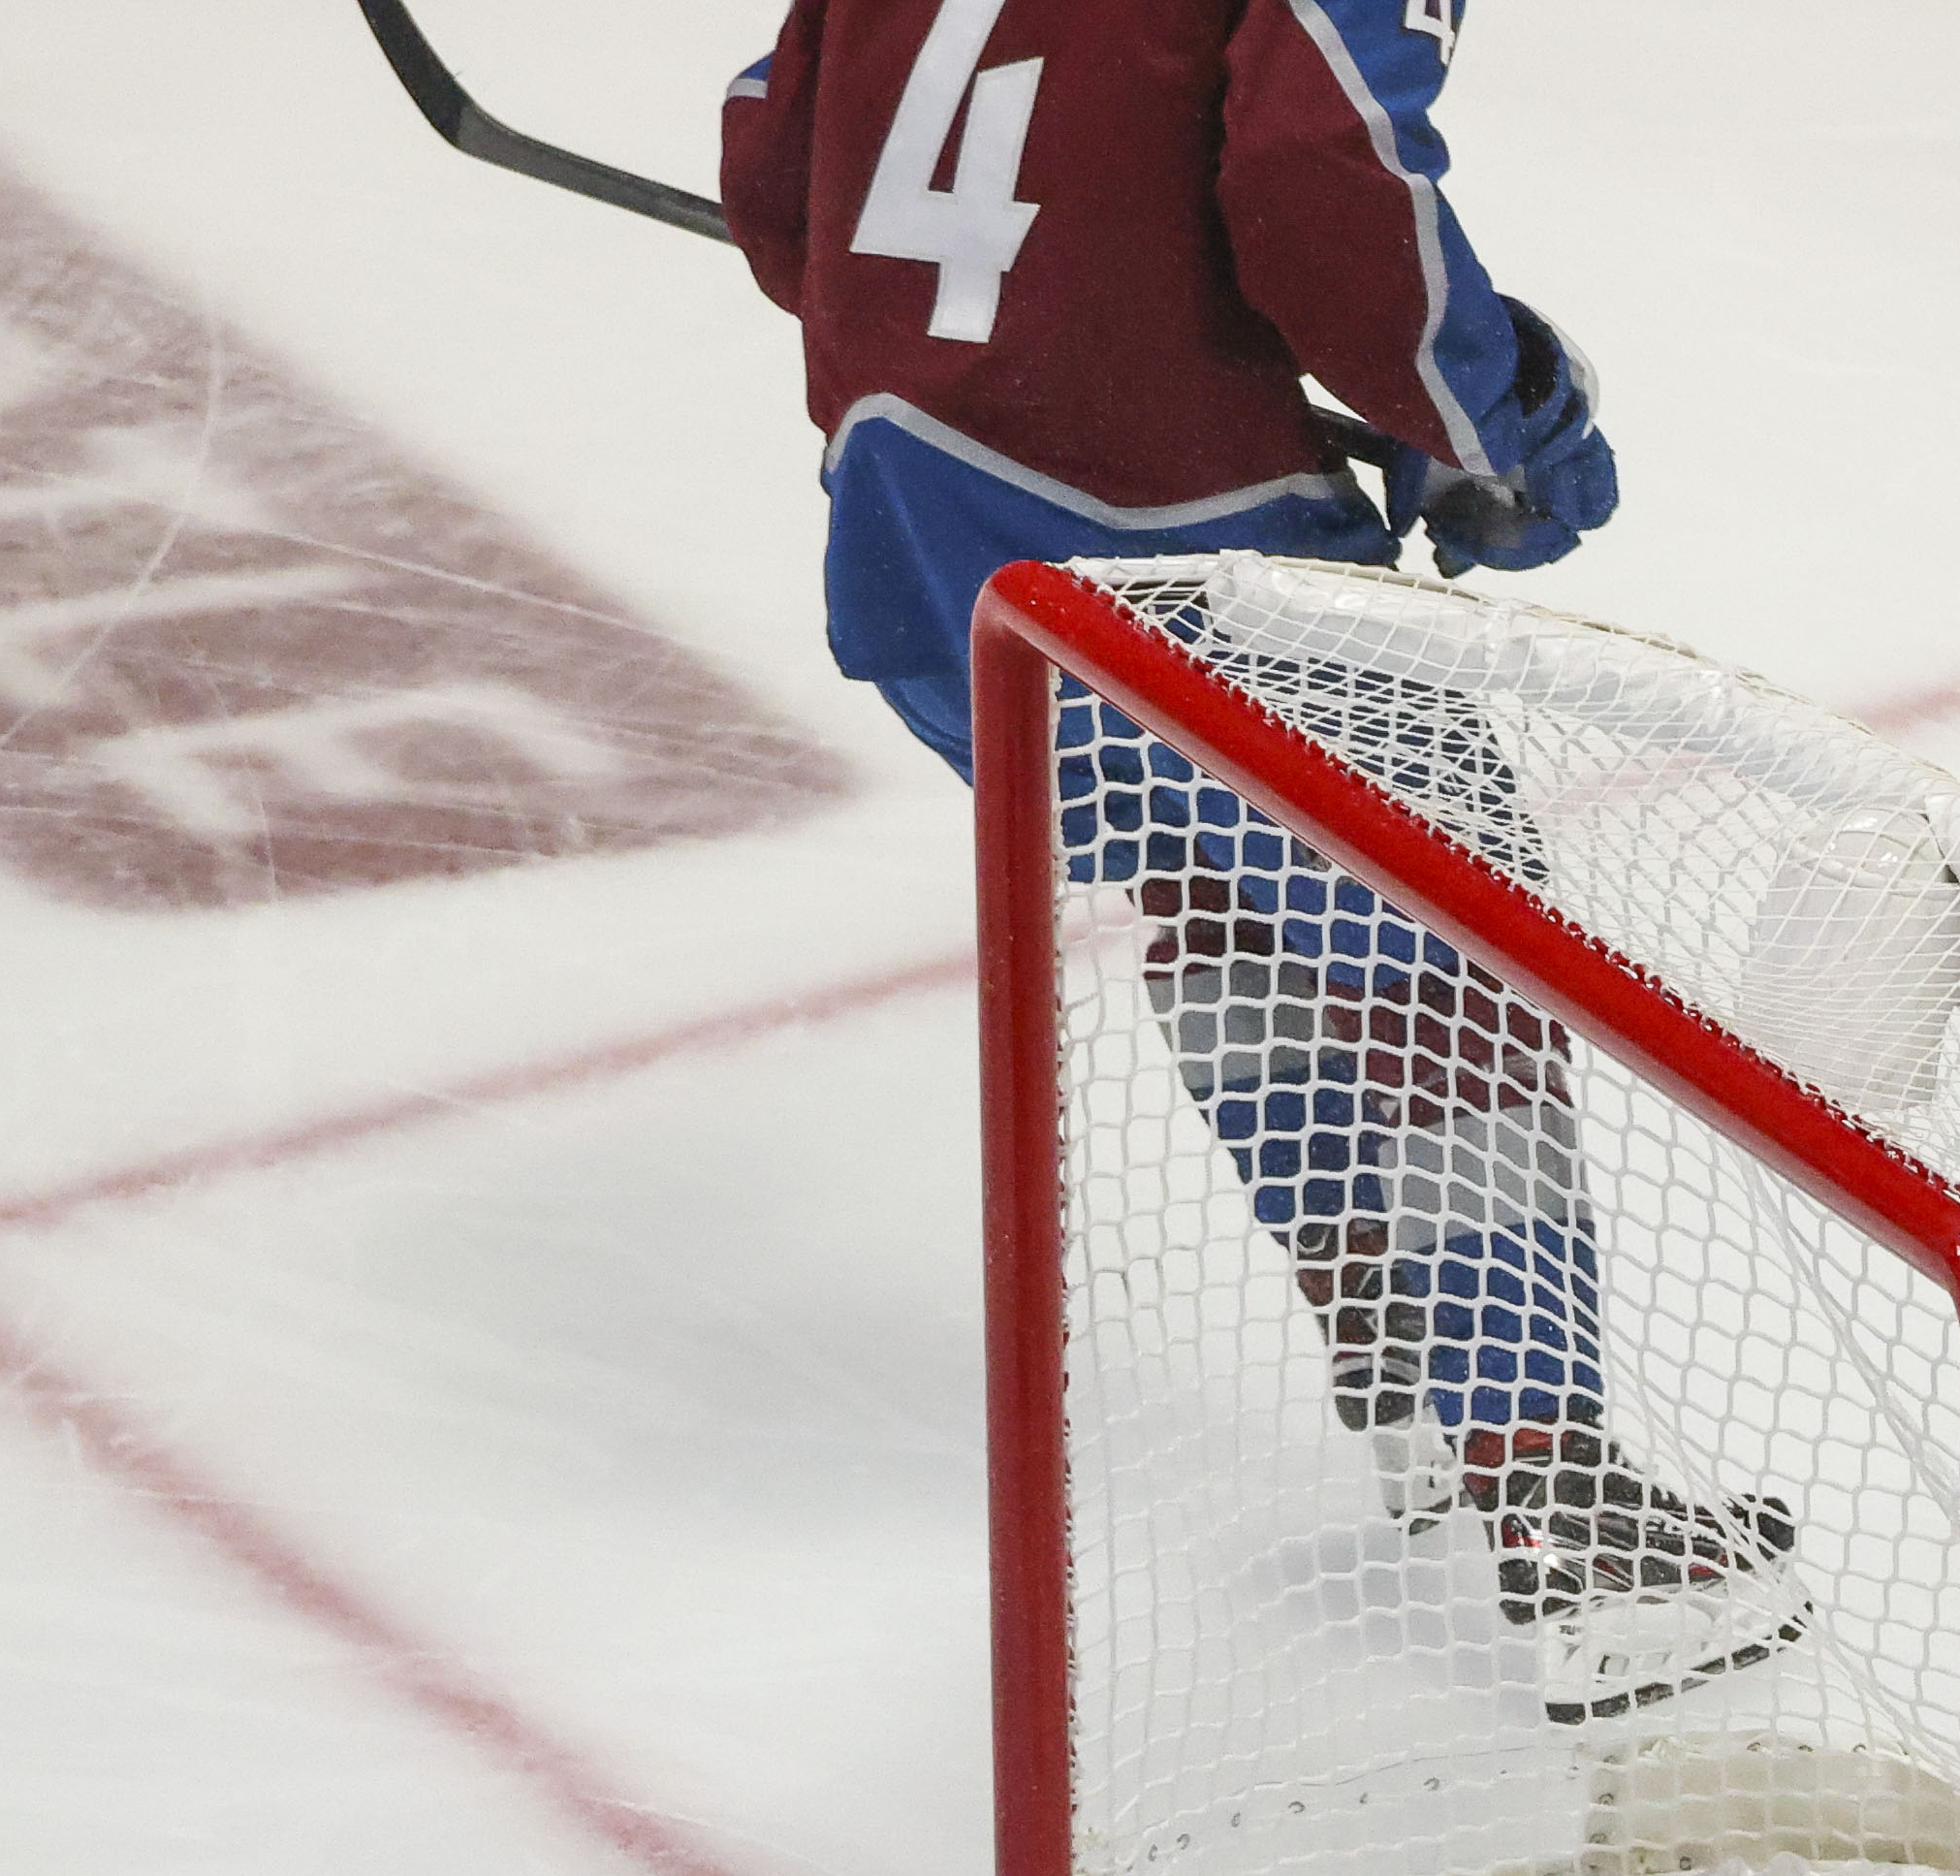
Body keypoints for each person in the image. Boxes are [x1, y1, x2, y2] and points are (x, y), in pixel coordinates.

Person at [720, 0, 1807, 1716]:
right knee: (1455, 968)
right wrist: (1483, 421)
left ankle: (1398, 1356)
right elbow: (1319, 170)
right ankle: (1556, 1497)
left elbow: (778, 171)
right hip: (1183, 557)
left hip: (921, 561)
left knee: (1217, 900)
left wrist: (1051, 324)